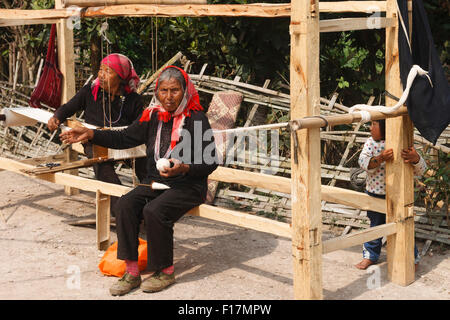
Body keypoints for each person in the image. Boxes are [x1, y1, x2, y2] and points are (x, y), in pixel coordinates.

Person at [60, 65, 218, 296]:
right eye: (163, 90)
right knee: (124, 205)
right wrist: (92, 134)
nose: (168, 96)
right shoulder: (152, 116)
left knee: (154, 211)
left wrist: (183, 167)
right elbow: (125, 137)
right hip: (155, 181)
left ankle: (165, 271)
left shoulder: (196, 119)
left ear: (185, 91)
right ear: (157, 92)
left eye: (174, 90)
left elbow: (210, 162)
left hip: (188, 185)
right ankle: (132, 272)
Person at [47, 53, 148, 209]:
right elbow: (69, 107)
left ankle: (151, 203)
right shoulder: (90, 92)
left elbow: (139, 127)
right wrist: (57, 116)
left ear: (120, 77)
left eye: (108, 71)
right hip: (94, 140)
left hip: (122, 142)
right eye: (101, 69)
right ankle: (121, 208)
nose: (101, 75)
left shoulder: (133, 100)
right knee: (103, 169)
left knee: (145, 166)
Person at [355, 119, 427, 270]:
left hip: (400, 196)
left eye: (374, 124)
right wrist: (380, 158)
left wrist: (416, 159)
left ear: (386, 127)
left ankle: (411, 259)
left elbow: (422, 170)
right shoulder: (371, 143)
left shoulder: (403, 143)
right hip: (375, 194)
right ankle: (370, 256)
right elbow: (363, 162)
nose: (370, 128)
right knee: (375, 227)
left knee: (404, 227)